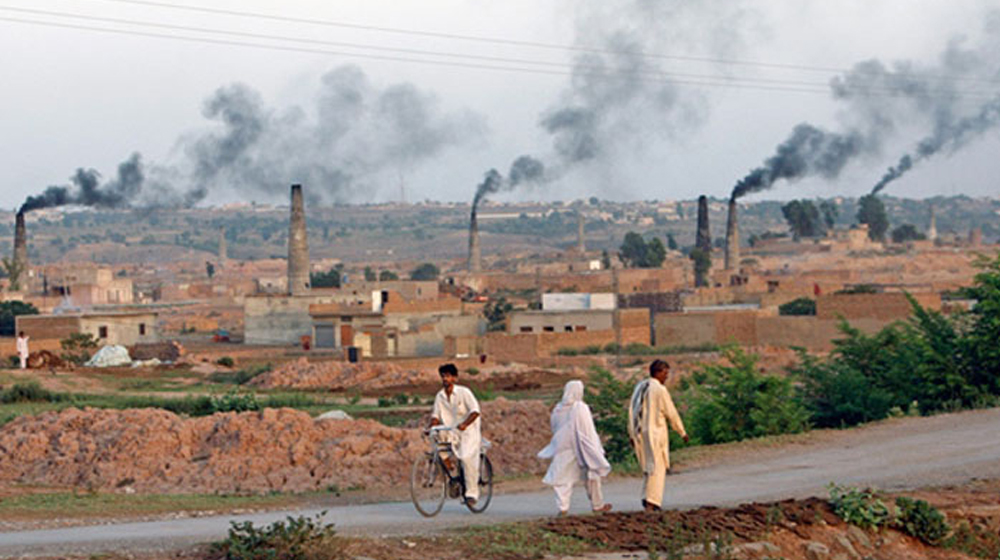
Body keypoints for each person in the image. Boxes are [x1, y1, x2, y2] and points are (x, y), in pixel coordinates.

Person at [538, 380, 612, 515]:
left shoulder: (558, 409)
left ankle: (563, 508)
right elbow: (588, 430)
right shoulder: (581, 408)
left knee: (562, 479)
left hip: (563, 447)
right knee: (592, 476)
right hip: (581, 447)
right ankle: (597, 505)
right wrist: (595, 447)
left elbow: (554, 428)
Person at [628, 359, 688, 512]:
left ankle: (646, 497)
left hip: (640, 433)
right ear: (658, 372)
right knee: (657, 468)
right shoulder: (659, 390)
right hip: (654, 434)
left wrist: (631, 433)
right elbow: (671, 413)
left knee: (649, 467)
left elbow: (632, 411)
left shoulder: (640, 386)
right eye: (665, 373)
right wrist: (682, 431)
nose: (666, 377)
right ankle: (652, 501)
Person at [428, 363, 482, 506]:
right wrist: (431, 426)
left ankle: (471, 494)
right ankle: (451, 469)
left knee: (466, 458)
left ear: (455, 378)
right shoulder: (440, 396)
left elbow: (475, 411)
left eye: (448, 376)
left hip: (468, 431)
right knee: (435, 436)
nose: (445, 379)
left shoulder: (464, 392)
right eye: (443, 376)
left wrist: (465, 424)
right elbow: (435, 416)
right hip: (450, 430)